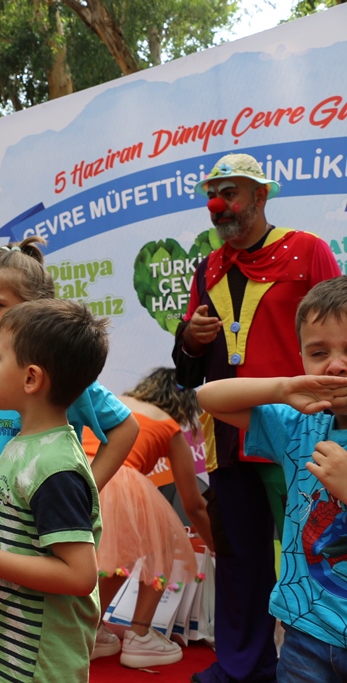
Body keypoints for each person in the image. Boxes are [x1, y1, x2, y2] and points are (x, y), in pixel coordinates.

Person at [172, 152, 340, 683]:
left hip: (302, 428)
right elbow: (190, 367)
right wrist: (189, 338)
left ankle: (313, 650)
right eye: (213, 194)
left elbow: (336, 319)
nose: (219, 205)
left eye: (232, 192)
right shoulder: (209, 267)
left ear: (261, 196)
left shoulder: (307, 250)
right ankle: (244, 664)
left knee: (318, 540)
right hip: (233, 429)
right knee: (240, 553)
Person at [0, 298, 107, 682]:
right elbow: (26, 540)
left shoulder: (54, 466)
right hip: (4, 650)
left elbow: (79, 575)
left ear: (31, 378)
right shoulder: (24, 444)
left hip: (36, 664)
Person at [196, 275, 347, 682]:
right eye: (319, 353)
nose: (336, 364)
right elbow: (207, 398)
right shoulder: (299, 426)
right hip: (304, 632)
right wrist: (282, 388)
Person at [83, 368, 214, 668]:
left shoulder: (112, 401)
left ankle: (89, 629)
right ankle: (140, 635)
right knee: (163, 541)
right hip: (119, 479)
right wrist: (216, 544)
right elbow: (193, 504)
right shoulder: (168, 426)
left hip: (77, 477)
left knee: (117, 555)